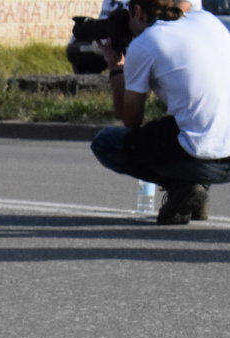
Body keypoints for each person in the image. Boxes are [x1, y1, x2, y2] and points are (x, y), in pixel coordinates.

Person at [90, 0, 230, 224]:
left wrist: (116, 67)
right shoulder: (208, 20)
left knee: (106, 142)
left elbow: (130, 121)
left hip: (205, 158)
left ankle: (185, 187)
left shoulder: (145, 44)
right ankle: (195, 191)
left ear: (137, 11)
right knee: (190, 122)